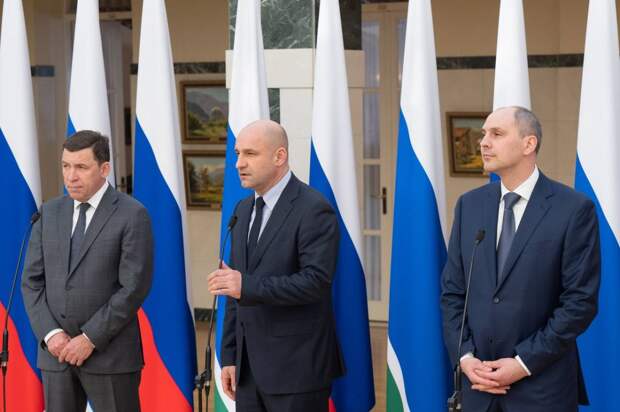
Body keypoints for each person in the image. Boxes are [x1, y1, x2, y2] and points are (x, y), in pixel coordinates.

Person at [441, 106, 600, 412]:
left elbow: (580, 302)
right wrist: (465, 358)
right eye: (484, 134)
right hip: (477, 388)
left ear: (529, 144)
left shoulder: (573, 209)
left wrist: (523, 363)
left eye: (497, 134)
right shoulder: (469, 205)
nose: (483, 142)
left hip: (541, 389)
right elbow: (453, 293)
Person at [208, 120, 345, 412]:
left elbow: (315, 282)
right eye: (237, 154)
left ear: (279, 156)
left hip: (297, 370)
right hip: (248, 371)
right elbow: (234, 290)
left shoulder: (313, 208)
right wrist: (230, 355)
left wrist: (245, 285)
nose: (239, 163)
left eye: (250, 154)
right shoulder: (243, 209)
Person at [21, 130, 153, 412]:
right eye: (66, 166)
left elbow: (133, 287)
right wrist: (51, 334)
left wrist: (90, 338)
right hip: (56, 356)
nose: (71, 176)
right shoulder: (48, 212)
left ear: (104, 169)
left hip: (111, 356)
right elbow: (32, 282)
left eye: (81, 167)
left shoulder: (132, 214)